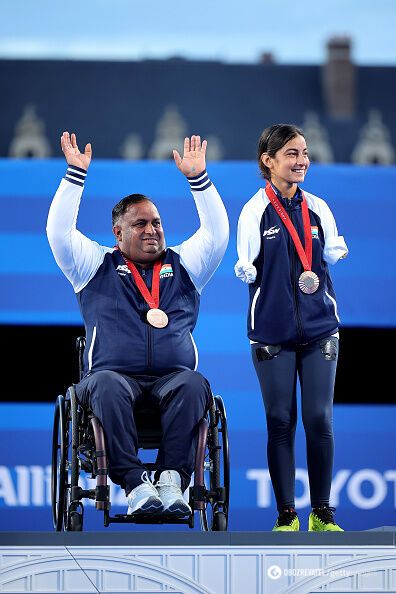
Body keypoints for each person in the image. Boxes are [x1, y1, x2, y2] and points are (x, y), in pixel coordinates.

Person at [47, 131, 229, 517]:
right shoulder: (93, 265)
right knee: (107, 384)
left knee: (196, 383)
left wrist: (200, 180)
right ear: (118, 232)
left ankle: (171, 481)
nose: (152, 230)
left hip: (171, 379)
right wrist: (74, 176)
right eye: (140, 224)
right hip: (113, 378)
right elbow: (58, 233)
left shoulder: (184, 266)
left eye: (157, 223)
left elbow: (216, 236)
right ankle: (134, 485)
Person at [235, 124, 348, 532]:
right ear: (269, 161)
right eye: (292, 154)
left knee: (319, 419)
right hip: (271, 334)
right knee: (280, 420)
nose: (302, 161)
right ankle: (287, 515)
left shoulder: (318, 207)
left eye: (305, 153)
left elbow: (330, 255)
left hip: (320, 330)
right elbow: (246, 267)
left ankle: (322, 513)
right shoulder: (254, 211)